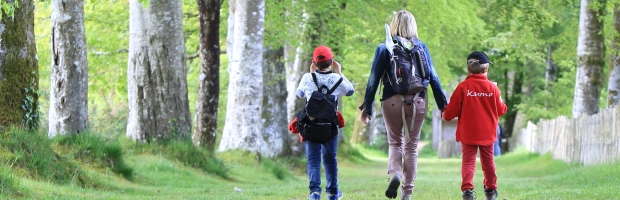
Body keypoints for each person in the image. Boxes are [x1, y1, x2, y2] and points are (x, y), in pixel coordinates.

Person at [358, 10, 448, 200]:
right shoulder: (421, 47)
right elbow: (434, 77)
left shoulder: (384, 48)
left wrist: (366, 107)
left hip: (391, 101)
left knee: (395, 142)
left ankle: (395, 174)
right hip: (418, 100)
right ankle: (406, 193)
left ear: (394, 25)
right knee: (411, 146)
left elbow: (373, 80)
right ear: (413, 25)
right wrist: (443, 105)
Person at [442, 51, 507, 200]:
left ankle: (467, 192)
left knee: (468, 161)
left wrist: (444, 114)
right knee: (488, 161)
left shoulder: (463, 87)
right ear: (486, 69)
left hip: (468, 132)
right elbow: (502, 110)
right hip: (488, 132)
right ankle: (491, 190)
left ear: (469, 69)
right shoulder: (493, 88)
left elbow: (450, 112)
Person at [296, 45, 354, 200]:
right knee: (329, 160)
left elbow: (299, 94)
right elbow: (350, 91)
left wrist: (310, 73)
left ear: (314, 62)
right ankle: (333, 193)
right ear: (332, 62)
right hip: (330, 126)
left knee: (313, 160)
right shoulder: (337, 79)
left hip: (311, 125)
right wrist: (339, 72)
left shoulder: (307, 77)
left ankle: (314, 192)